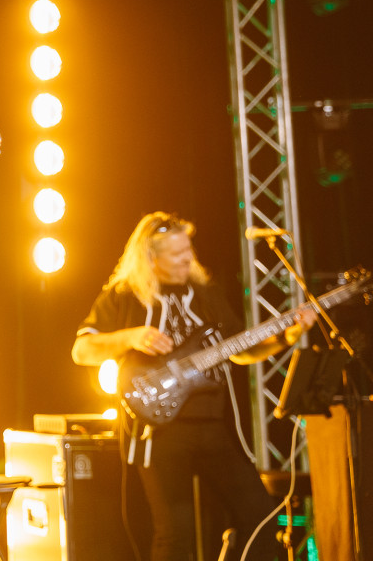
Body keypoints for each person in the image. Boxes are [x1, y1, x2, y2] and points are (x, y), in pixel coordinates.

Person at [71, 212, 313, 561]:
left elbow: (240, 350)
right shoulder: (124, 295)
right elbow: (82, 350)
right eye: (177, 253)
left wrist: (285, 337)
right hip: (158, 431)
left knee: (259, 515)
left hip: (211, 425)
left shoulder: (205, 293)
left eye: (189, 249)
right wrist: (130, 337)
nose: (188, 258)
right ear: (151, 258)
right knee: (175, 535)